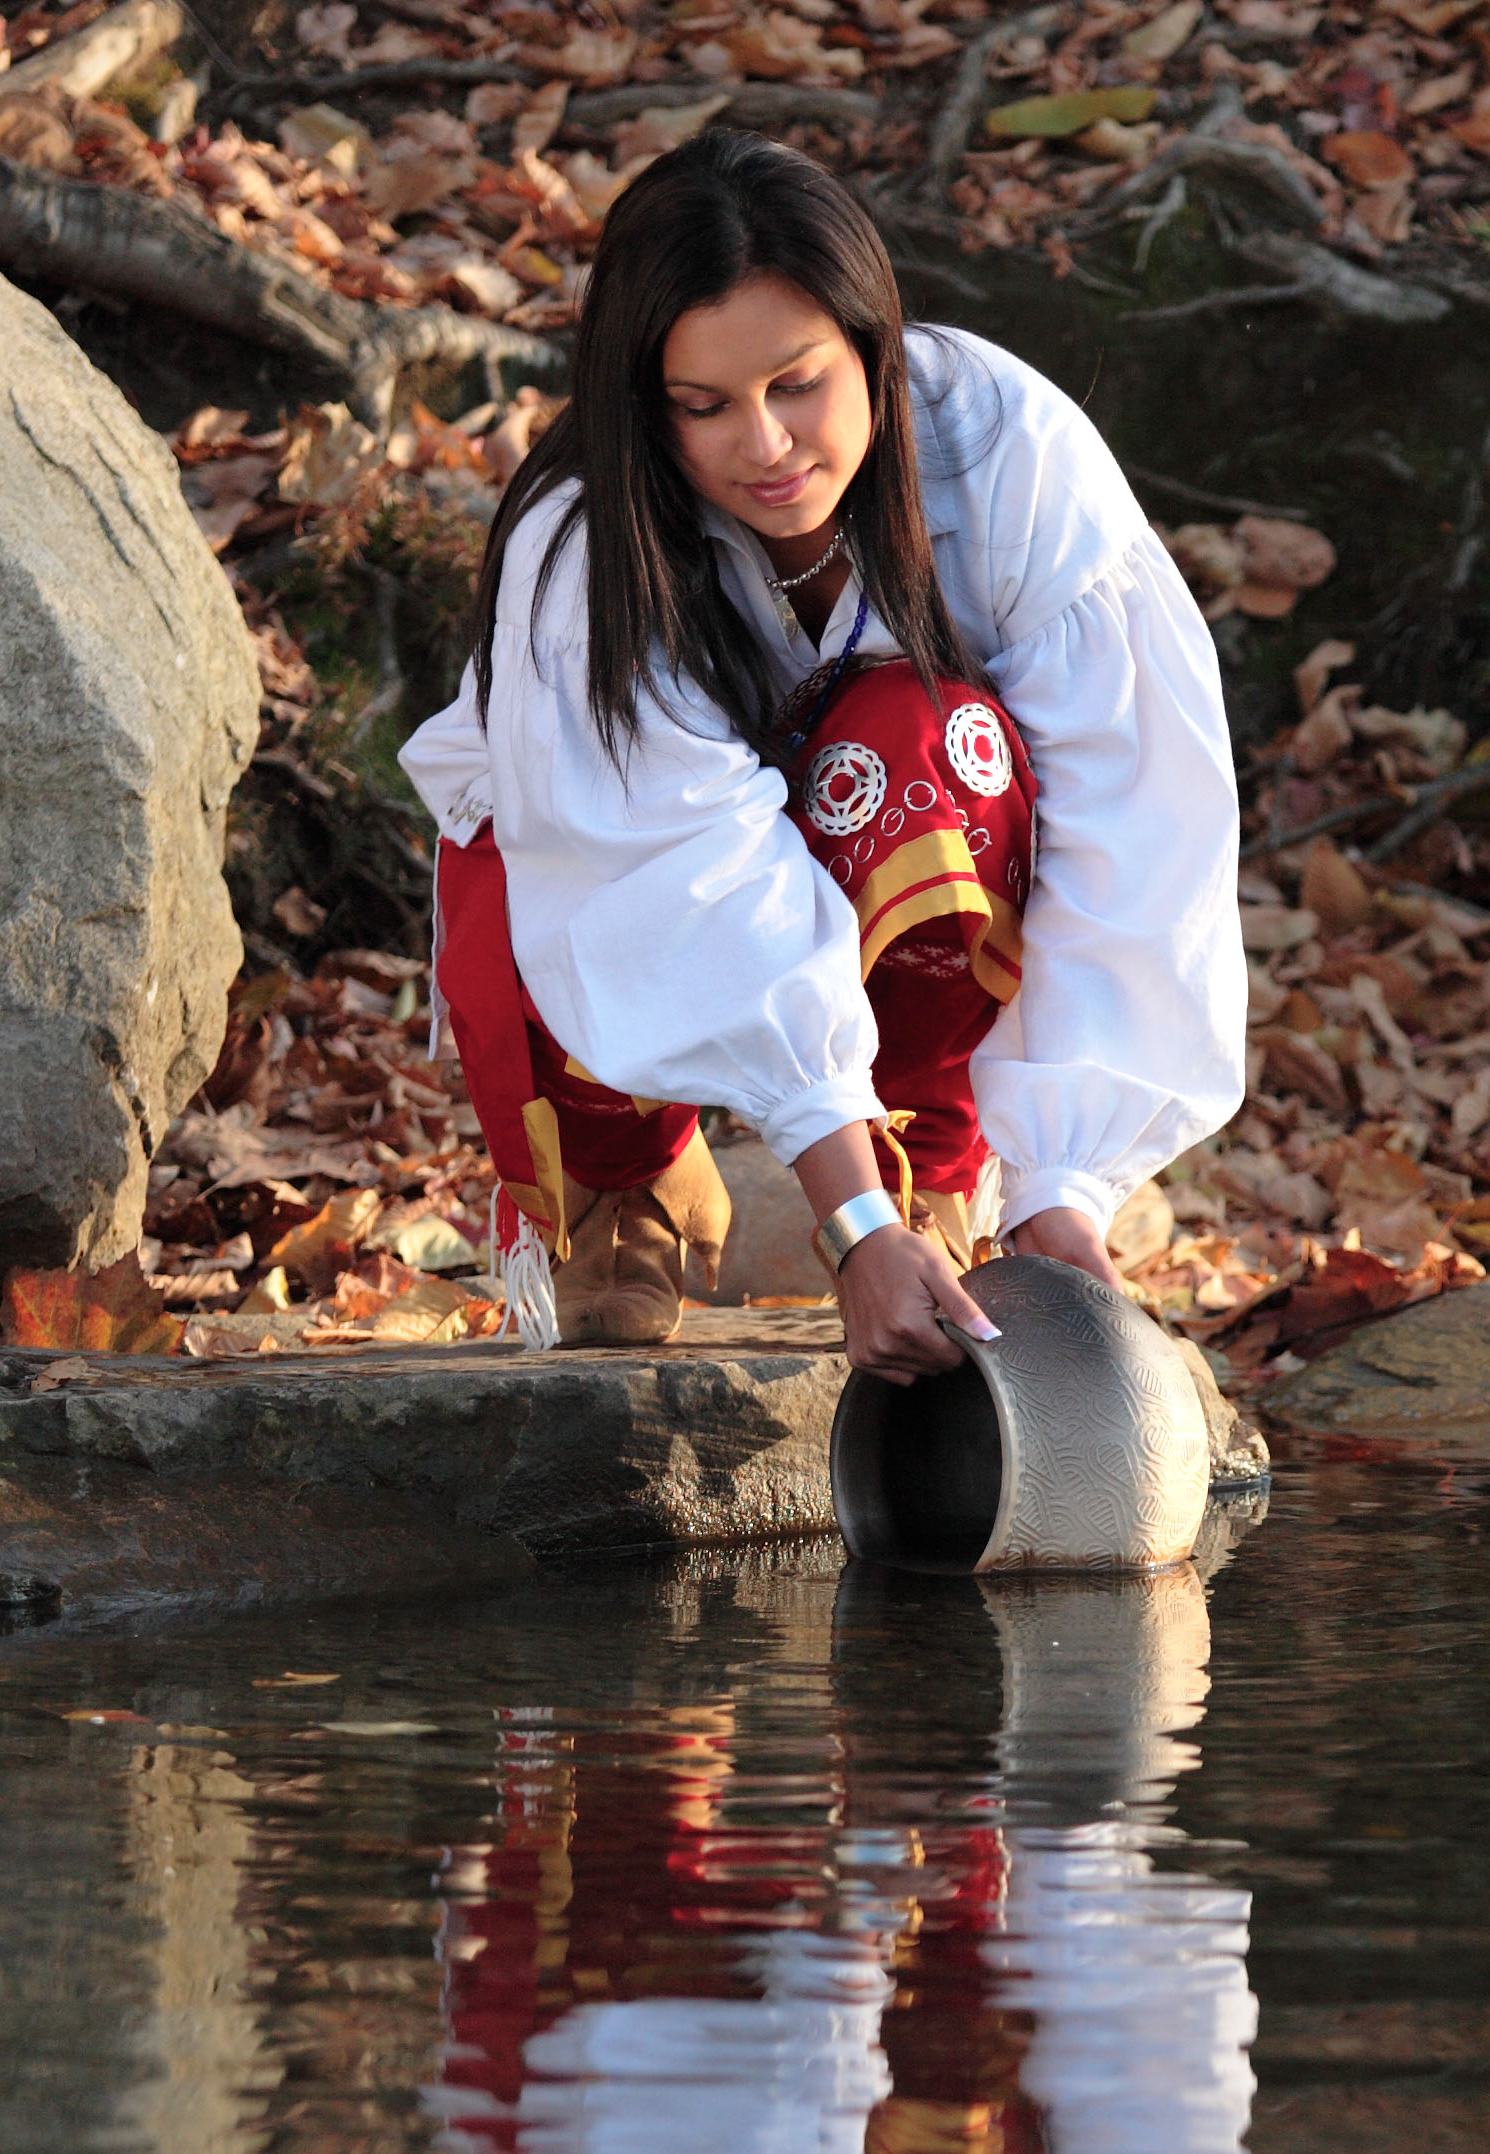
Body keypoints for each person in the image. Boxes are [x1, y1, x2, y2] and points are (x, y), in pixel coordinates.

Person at [399, 131, 1245, 1376]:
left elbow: (1131, 811)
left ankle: (937, 1164)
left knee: (938, 746)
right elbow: (667, 857)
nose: (766, 446)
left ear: (874, 348)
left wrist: (1063, 1179)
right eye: (704, 407)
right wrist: (845, 1220)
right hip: (620, 869)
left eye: (799, 384)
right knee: (528, 849)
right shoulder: (584, 548)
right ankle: (623, 1175)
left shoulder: (1002, 453)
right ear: (644, 404)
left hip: (884, 811)